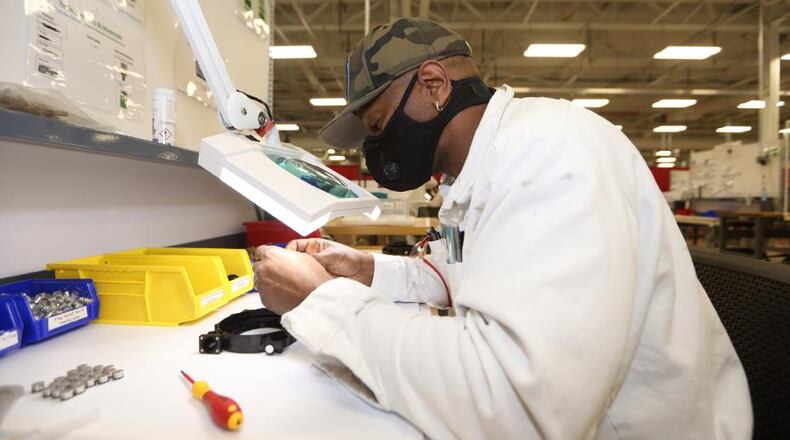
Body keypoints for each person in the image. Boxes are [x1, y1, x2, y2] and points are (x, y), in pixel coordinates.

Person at [253, 17, 752, 439]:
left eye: (379, 126)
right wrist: (363, 270)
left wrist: (321, 301)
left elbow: (515, 401)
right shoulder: (489, 163)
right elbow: (468, 274)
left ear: (433, 85)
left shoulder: (551, 156)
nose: (377, 148)